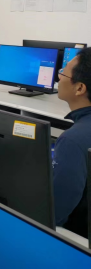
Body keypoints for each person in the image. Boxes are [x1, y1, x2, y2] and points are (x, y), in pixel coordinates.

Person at [54, 47, 91, 237]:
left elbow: (54, 214)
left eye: (63, 73)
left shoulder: (72, 141)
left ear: (80, 88)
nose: (58, 77)